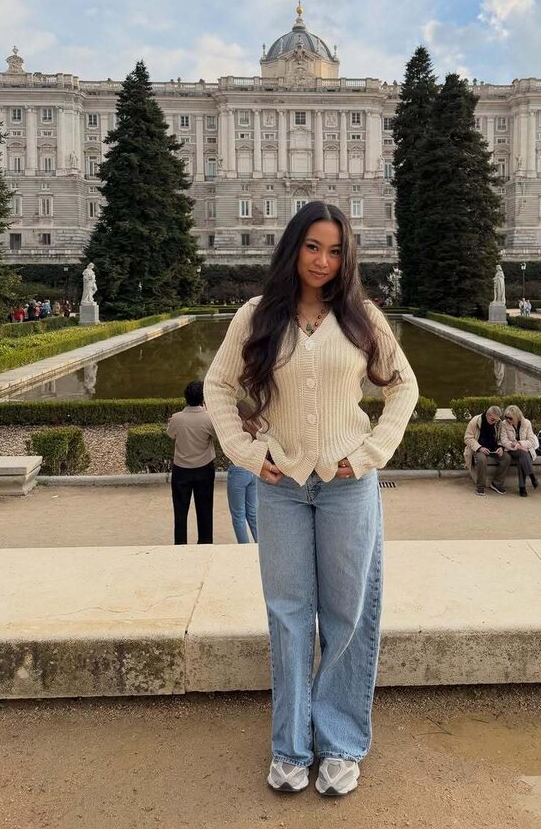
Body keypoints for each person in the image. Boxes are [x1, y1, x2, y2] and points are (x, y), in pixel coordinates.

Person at [204, 200, 418, 798]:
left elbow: (404, 385)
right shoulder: (256, 315)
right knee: (289, 614)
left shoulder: (362, 316)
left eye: (335, 250)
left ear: (347, 257)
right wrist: (245, 453)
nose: (322, 261)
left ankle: (341, 742)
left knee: (349, 614)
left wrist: (373, 451)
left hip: (349, 483)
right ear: (294, 247)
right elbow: (219, 385)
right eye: (312, 247)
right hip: (283, 486)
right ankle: (292, 746)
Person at [165, 380, 216, 544]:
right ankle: (205, 545)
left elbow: (170, 434)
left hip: (181, 470)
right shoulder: (209, 418)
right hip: (204, 469)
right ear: (203, 398)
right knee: (205, 511)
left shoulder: (177, 418)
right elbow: (217, 436)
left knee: (180, 512)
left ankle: (181, 546)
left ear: (186, 397)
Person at [226, 408, 259, 543]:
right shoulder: (254, 424)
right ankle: (259, 544)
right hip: (253, 468)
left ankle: (244, 546)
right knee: (252, 512)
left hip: (238, 469)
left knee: (238, 515)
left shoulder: (235, 428)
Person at [463, 405, 510, 496]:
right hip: (478, 449)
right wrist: (480, 448)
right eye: (492, 420)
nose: (494, 422)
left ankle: (496, 483)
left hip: (494, 449)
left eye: (496, 420)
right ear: (487, 415)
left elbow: (501, 438)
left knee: (506, 458)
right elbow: (467, 438)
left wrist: (500, 447)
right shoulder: (475, 421)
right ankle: (480, 486)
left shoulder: (498, 422)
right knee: (482, 459)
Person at [499, 404, 539, 496]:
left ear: (517, 417)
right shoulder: (504, 424)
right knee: (523, 454)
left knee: (523, 457)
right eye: (506, 417)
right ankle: (532, 476)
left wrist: (520, 444)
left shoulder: (527, 423)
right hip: (511, 449)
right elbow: (504, 441)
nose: (508, 420)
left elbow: (531, 441)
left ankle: (522, 487)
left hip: (525, 449)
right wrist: (517, 446)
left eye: (510, 418)